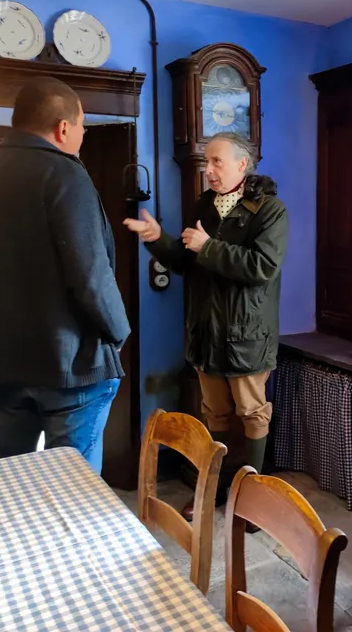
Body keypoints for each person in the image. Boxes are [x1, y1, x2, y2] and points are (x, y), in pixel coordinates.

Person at [0, 77, 130, 474]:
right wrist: (118, 332)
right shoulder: (65, 174)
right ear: (64, 127)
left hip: (0, 360)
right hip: (71, 365)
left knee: (7, 477)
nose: (81, 135)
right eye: (81, 127)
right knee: (72, 487)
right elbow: (91, 276)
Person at [124, 132, 288, 522]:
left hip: (246, 334)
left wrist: (207, 247)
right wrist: (156, 240)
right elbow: (185, 260)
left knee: (252, 413)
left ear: (242, 165)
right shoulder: (205, 205)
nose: (208, 170)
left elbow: (262, 267)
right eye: (207, 162)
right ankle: (213, 489)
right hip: (207, 332)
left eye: (216, 162)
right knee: (214, 415)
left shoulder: (270, 210)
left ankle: (251, 502)